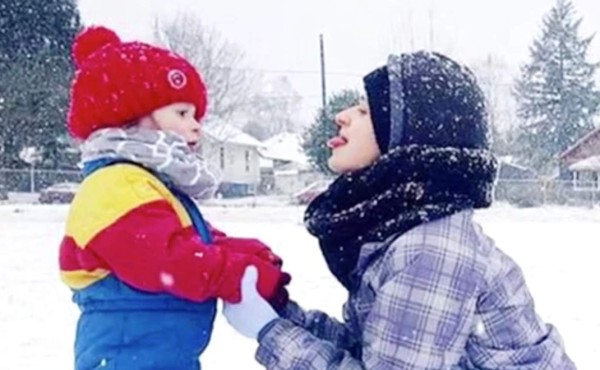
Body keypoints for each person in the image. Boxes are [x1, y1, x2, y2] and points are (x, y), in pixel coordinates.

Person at [223, 51, 575, 369]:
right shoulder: (403, 232)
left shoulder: (430, 248)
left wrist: (271, 333)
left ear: (406, 141)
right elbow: (373, 352)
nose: (342, 116)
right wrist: (283, 316)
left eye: (363, 111)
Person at [59, 26, 289, 370]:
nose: (196, 126)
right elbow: (172, 261)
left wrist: (248, 252)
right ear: (129, 117)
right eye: (182, 113)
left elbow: (194, 239)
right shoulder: (115, 185)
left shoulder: (146, 184)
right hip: (127, 356)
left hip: (159, 354)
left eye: (196, 115)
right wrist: (239, 273)